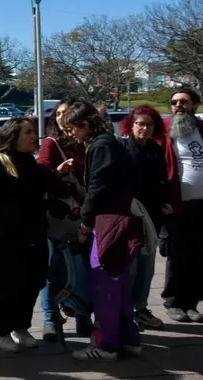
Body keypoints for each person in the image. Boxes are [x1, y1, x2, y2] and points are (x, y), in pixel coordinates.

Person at [0, 118, 80, 354]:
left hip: (34, 234)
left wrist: (63, 182)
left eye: (33, 132)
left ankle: (21, 327)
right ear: (14, 137)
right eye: (28, 132)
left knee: (32, 282)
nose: (34, 136)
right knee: (5, 285)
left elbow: (51, 188)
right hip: (5, 234)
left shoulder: (35, 166)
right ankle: (1, 331)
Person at [64, 100, 144, 361]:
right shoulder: (111, 143)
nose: (72, 134)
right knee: (119, 285)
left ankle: (107, 344)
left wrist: (85, 223)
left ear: (84, 124)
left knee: (105, 284)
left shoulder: (100, 146)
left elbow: (96, 188)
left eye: (73, 128)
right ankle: (129, 339)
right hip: (121, 219)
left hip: (109, 222)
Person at [36, 98, 92, 341]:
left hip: (83, 213)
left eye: (66, 113)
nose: (61, 118)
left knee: (83, 268)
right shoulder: (50, 144)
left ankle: (82, 315)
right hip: (58, 214)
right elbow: (43, 177)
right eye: (57, 114)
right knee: (51, 269)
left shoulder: (84, 143)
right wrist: (67, 183)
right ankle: (50, 318)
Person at [118, 106, 170, 330]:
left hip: (151, 218)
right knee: (129, 268)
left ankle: (140, 308)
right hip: (127, 217)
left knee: (146, 268)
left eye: (149, 125)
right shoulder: (121, 149)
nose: (144, 128)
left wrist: (164, 202)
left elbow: (161, 182)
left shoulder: (156, 151)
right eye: (140, 123)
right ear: (131, 125)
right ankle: (124, 312)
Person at [161, 86, 203, 323]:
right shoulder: (165, 131)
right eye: (175, 102)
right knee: (177, 255)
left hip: (201, 205)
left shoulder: (201, 129)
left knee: (199, 256)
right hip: (176, 206)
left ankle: (192, 303)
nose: (178, 106)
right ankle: (174, 302)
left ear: (194, 105)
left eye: (183, 102)